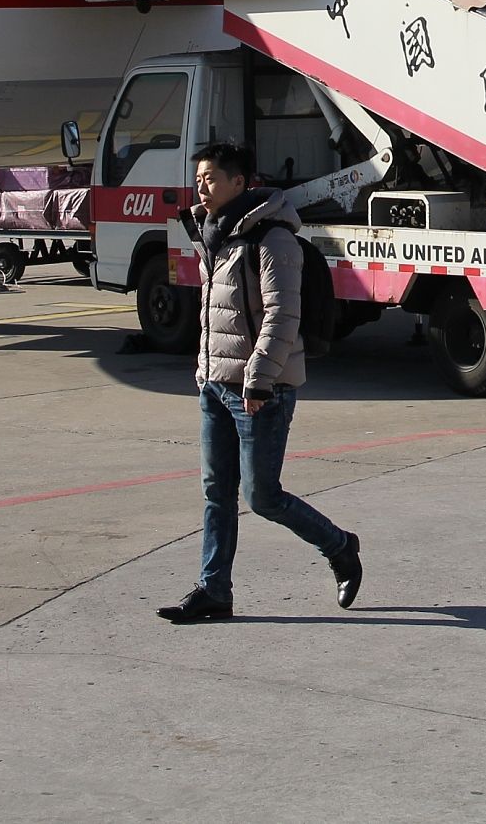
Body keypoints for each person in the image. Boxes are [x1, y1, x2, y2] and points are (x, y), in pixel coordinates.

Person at [157, 141, 364, 623]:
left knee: (263, 496)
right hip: (214, 384)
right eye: (199, 178)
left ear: (239, 183)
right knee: (216, 491)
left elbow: (282, 315)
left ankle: (341, 547)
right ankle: (214, 590)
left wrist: (259, 379)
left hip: (260, 390)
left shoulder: (272, 239)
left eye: (211, 178)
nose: (202, 188)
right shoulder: (215, 234)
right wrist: (205, 371)